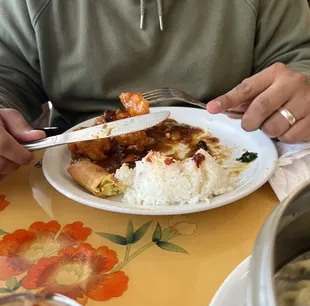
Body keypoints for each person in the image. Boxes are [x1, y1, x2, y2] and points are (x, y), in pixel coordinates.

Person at [0, 0, 310, 179]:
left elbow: (299, 59)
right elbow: (7, 74)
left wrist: (300, 94)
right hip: (69, 176)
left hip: (243, 165)